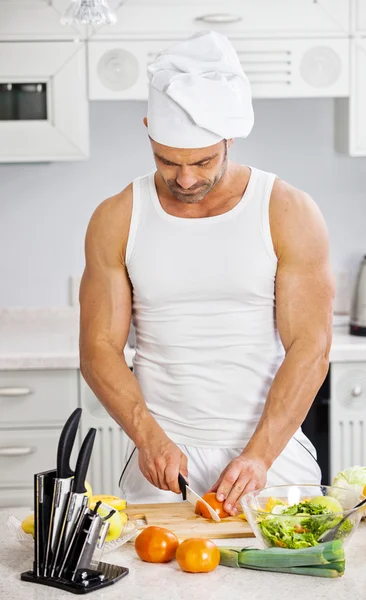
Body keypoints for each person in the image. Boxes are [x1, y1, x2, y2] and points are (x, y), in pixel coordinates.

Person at [79, 30, 335, 516]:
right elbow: (98, 348)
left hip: (271, 459)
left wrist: (259, 455)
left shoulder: (287, 211)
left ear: (229, 137)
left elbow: (311, 345)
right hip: (159, 464)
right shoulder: (117, 217)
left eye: (203, 161)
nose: (186, 179)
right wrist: (147, 437)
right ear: (149, 127)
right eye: (167, 161)